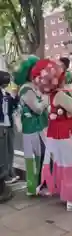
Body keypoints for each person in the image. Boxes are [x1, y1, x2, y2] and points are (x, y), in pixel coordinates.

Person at [32, 58, 72, 211]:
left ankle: (69, 195)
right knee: (71, 164)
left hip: (59, 133)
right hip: (66, 133)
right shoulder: (60, 96)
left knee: (65, 164)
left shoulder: (53, 94)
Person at [13, 55, 49, 196]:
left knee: (39, 156)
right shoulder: (27, 90)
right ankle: (33, 187)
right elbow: (38, 108)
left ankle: (37, 186)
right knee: (33, 159)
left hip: (36, 128)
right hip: (31, 128)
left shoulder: (33, 87)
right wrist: (46, 99)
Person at [0, 55, 17, 202]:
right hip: (2, 127)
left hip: (5, 126)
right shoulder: (2, 96)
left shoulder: (4, 94)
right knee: (3, 155)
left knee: (6, 153)